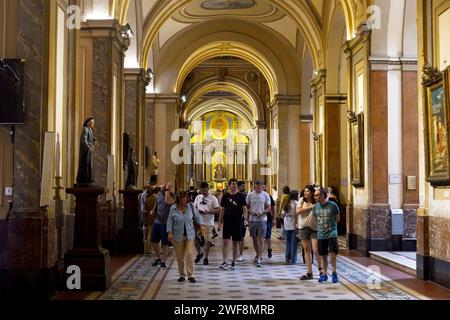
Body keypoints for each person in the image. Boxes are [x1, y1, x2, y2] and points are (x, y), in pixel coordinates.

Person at [167, 190, 202, 283]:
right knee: (179, 256)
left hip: (190, 235)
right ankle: (182, 274)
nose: (183, 200)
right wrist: (169, 233)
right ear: (178, 199)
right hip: (177, 235)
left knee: (190, 254)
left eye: (185, 198)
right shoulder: (173, 208)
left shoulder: (190, 206)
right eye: (181, 199)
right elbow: (170, 221)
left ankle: (190, 275)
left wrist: (199, 227)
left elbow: (197, 217)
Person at [218, 179, 248, 270]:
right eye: (232, 184)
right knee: (225, 242)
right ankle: (224, 261)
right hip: (227, 222)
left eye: (235, 184)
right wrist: (220, 223)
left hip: (237, 221)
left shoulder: (241, 196)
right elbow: (222, 210)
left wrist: (245, 219)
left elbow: (245, 209)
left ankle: (234, 261)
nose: (234, 186)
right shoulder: (225, 196)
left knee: (235, 242)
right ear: (229, 185)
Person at [312, 188, 340, 283]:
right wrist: (320, 228)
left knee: (332, 252)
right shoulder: (315, 207)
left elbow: (337, 218)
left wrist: (331, 227)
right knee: (323, 255)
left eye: (318, 195)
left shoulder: (333, 205)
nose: (316, 197)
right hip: (321, 234)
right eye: (315, 195)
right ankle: (324, 274)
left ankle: (334, 272)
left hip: (332, 233)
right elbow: (315, 219)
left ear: (323, 195)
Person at [297, 185, 322, 280]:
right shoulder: (301, 200)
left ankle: (321, 269)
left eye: (307, 191)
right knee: (307, 251)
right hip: (303, 227)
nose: (305, 193)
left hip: (314, 228)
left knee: (316, 249)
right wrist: (310, 207)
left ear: (311, 193)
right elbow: (298, 211)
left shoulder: (317, 202)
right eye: (305, 191)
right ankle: (309, 272)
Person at [193, 181, 220, 265]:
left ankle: (206, 257)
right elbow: (194, 208)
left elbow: (218, 210)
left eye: (205, 190)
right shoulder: (198, 197)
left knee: (207, 241)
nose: (203, 192)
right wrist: (197, 211)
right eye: (202, 190)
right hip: (198, 222)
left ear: (208, 189)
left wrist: (208, 212)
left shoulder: (213, 198)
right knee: (196, 239)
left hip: (208, 222)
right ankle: (200, 253)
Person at [246, 180, 272, 267]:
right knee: (254, 239)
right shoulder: (250, 195)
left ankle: (260, 257)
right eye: (256, 187)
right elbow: (246, 207)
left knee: (261, 239)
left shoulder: (266, 195)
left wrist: (263, 212)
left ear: (262, 186)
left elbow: (269, 208)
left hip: (262, 219)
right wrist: (251, 212)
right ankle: (258, 254)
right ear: (254, 187)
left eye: (260, 187)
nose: (258, 189)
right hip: (252, 219)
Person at [150, 182, 175, 269]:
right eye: (163, 188)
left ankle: (163, 261)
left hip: (166, 223)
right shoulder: (158, 196)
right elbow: (156, 206)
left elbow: (168, 202)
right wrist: (153, 210)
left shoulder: (172, 195)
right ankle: (158, 257)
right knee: (153, 240)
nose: (163, 189)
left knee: (165, 243)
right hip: (157, 221)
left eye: (165, 188)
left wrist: (167, 190)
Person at [76, 117, 96, 185]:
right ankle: (83, 179)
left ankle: (89, 179)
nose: (93, 124)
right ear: (89, 123)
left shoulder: (90, 130)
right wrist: (88, 147)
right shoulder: (85, 129)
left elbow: (90, 139)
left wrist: (93, 140)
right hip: (85, 152)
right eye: (92, 122)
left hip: (89, 151)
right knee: (85, 165)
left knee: (89, 165)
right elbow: (84, 140)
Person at [284, 190, 299, 264]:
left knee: (288, 242)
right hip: (293, 223)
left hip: (287, 222)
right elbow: (297, 214)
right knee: (294, 242)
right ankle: (293, 259)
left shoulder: (287, 203)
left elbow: (283, 214)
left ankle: (287, 257)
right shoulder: (296, 203)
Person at [263, 182, 277, 259]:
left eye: (264, 187)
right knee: (260, 237)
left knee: (267, 236)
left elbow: (273, 208)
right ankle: (259, 253)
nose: (263, 188)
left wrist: (274, 219)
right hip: (258, 219)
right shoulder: (254, 196)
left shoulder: (269, 196)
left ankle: (269, 248)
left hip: (268, 218)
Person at [237, 180, 247, 262]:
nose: (244, 188)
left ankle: (241, 254)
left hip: (243, 218)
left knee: (242, 237)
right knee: (235, 238)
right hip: (235, 218)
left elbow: (247, 207)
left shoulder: (246, 195)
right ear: (238, 186)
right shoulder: (234, 195)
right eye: (243, 186)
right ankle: (236, 253)